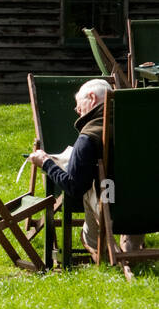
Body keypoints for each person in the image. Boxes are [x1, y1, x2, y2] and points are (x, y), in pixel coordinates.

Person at [28, 78, 144, 259]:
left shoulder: (89, 136)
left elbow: (74, 187)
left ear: (91, 97)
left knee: (92, 187)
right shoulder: (141, 124)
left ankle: (99, 246)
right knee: (130, 183)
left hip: (112, 210)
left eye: (78, 104)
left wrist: (46, 162)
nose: (77, 110)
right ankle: (132, 248)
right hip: (147, 208)